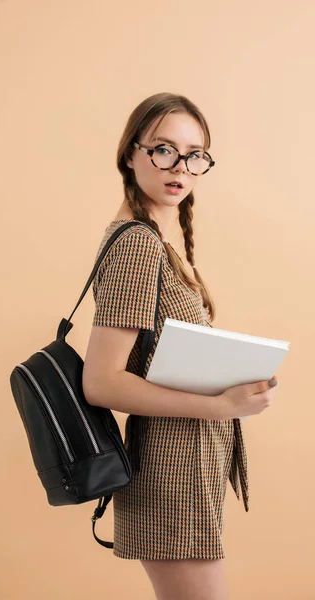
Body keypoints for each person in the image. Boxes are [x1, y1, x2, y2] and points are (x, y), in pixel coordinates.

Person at [82, 92, 279, 600]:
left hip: (186, 465)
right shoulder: (137, 244)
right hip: (171, 470)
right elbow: (102, 382)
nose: (180, 167)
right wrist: (220, 404)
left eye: (194, 155)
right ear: (131, 153)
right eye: (163, 149)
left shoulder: (156, 241)